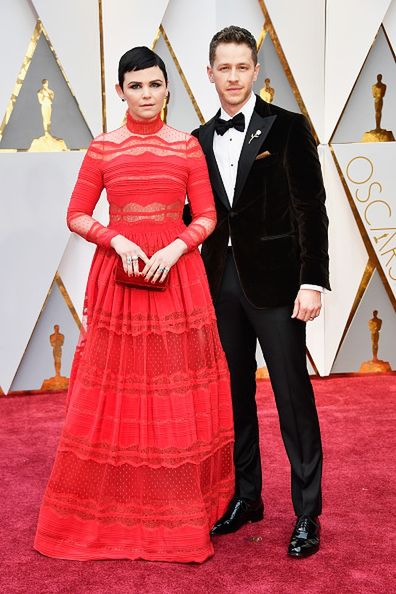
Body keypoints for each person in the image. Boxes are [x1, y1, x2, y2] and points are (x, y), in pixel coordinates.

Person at [34, 47, 234, 564]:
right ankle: (111, 511)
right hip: (118, 281)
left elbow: (208, 217)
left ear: (169, 89)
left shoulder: (187, 147)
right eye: (136, 86)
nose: (146, 95)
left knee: (173, 394)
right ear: (119, 91)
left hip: (177, 278)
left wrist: (175, 246)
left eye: (155, 85)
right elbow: (76, 214)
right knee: (113, 393)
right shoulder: (103, 148)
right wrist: (114, 239)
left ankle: (178, 515)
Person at [186, 26, 330, 558]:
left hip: (279, 287)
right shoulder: (197, 140)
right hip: (217, 286)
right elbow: (193, 219)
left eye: (241, 67)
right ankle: (248, 497)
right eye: (223, 67)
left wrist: (312, 280)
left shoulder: (288, 128)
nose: (232, 77)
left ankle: (307, 514)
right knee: (234, 397)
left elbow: (310, 211)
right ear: (209, 73)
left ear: (256, 73)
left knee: (293, 397)